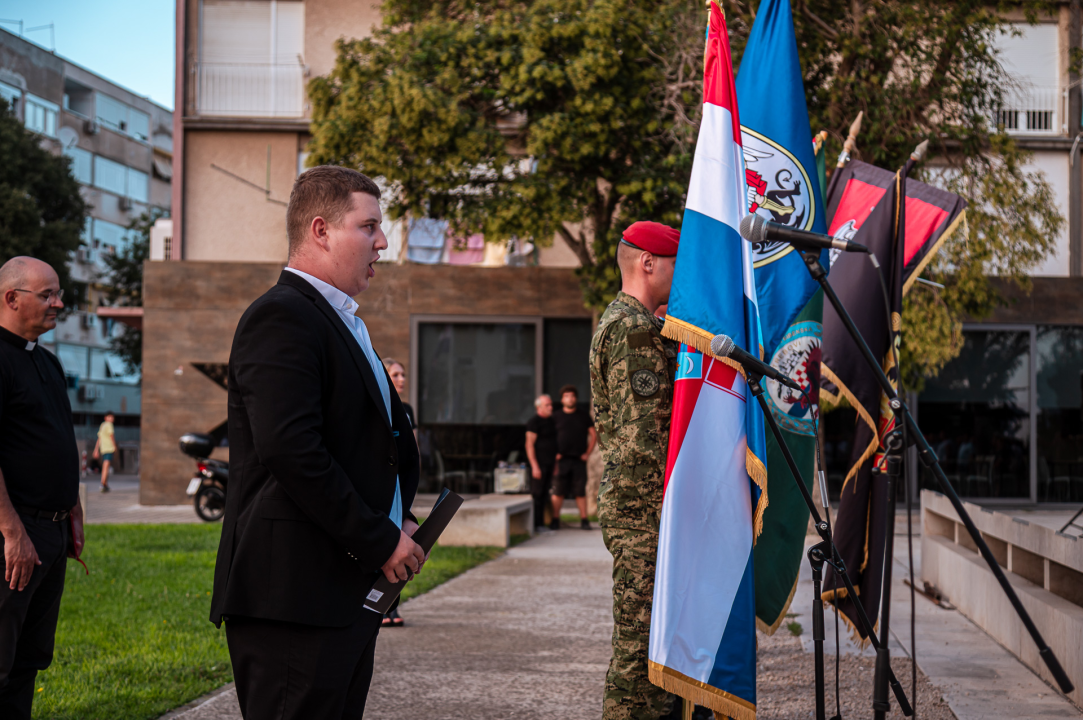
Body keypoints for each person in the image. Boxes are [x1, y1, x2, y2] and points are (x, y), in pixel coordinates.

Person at [211, 166, 424, 720]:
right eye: (369, 227)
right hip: (294, 595)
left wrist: (397, 515)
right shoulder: (282, 316)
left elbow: (362, 442)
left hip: (337, 589)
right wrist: (378, 537)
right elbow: (291, 451)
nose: (382, 242)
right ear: (322, 230)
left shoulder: (338, 319)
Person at [589, 221, 680, 720]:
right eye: (674, 263)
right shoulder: (633, 328)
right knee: (638, 649)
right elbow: (646, 437)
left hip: (640, 508)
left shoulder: (626, 321)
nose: (680, 274)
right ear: (648, 262)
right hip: (645, 511)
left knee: (648, 642)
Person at [0, 257, 84, 719]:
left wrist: (72, 508)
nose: (59, 303)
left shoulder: (48, 362)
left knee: (29, 660)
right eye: (48, 294)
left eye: (58, 293)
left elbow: (57, 439)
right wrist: (12, 533)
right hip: (16, 536)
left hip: (49, 536)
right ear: (12, 299)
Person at [380, 357, 415, 628]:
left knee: (401, 540)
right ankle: (382, 606)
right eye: (395, 374)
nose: (401, 379)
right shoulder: (378, 406)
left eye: (403, 375)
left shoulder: (406, 409)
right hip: (383, 478)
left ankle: (393, 606)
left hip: (400, 481)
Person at [551, 384, 596, 530]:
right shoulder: (556, 416)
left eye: (572, 396)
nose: (570, 399)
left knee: (580, 491)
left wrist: (587, 454)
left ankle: (584, 520)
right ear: (562, 399)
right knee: (558, 491)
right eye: (566, 396)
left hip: (578, 460)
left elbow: (594, 435)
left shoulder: (583, 416)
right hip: (561, 460)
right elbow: (548, 436)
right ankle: (555, 519)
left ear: (575, 398)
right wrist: (554, 453)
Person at [525, 394, 557, 530]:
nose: (550, 407)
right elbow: (529, 444)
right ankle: (535, 524)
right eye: (547, 405)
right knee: (537, 494)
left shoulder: (551, 421)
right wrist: (534, 466)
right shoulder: (534, 422)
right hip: (539, 464)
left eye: (551, 405)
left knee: (545, 494)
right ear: (539, 407)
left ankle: (542, 523)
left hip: (550, 464)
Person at [92, 411, 116, 492]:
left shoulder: (102, 425)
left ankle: (105, 483)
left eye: (112, 417)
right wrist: (115, 446)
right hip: (109, 448)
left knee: (105, 466)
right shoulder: (109, 425)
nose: (111, 419)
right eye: (110, 417)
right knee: (106, 466)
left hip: (103, 448)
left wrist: (96, 450)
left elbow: (99, 438)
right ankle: (103, 483)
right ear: (106, 418)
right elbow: (111, 436)